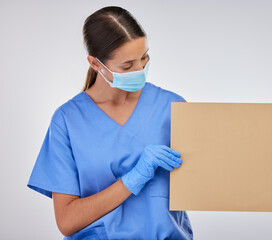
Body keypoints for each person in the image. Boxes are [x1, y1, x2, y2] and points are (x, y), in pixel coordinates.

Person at [27, 6, 193, 240]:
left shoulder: (174, 107)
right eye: (127, 66)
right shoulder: (68, 120)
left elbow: (205, 183)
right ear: (95, 64)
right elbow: (67, 221)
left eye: (144, 57)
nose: (140, 69)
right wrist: (133, 178)